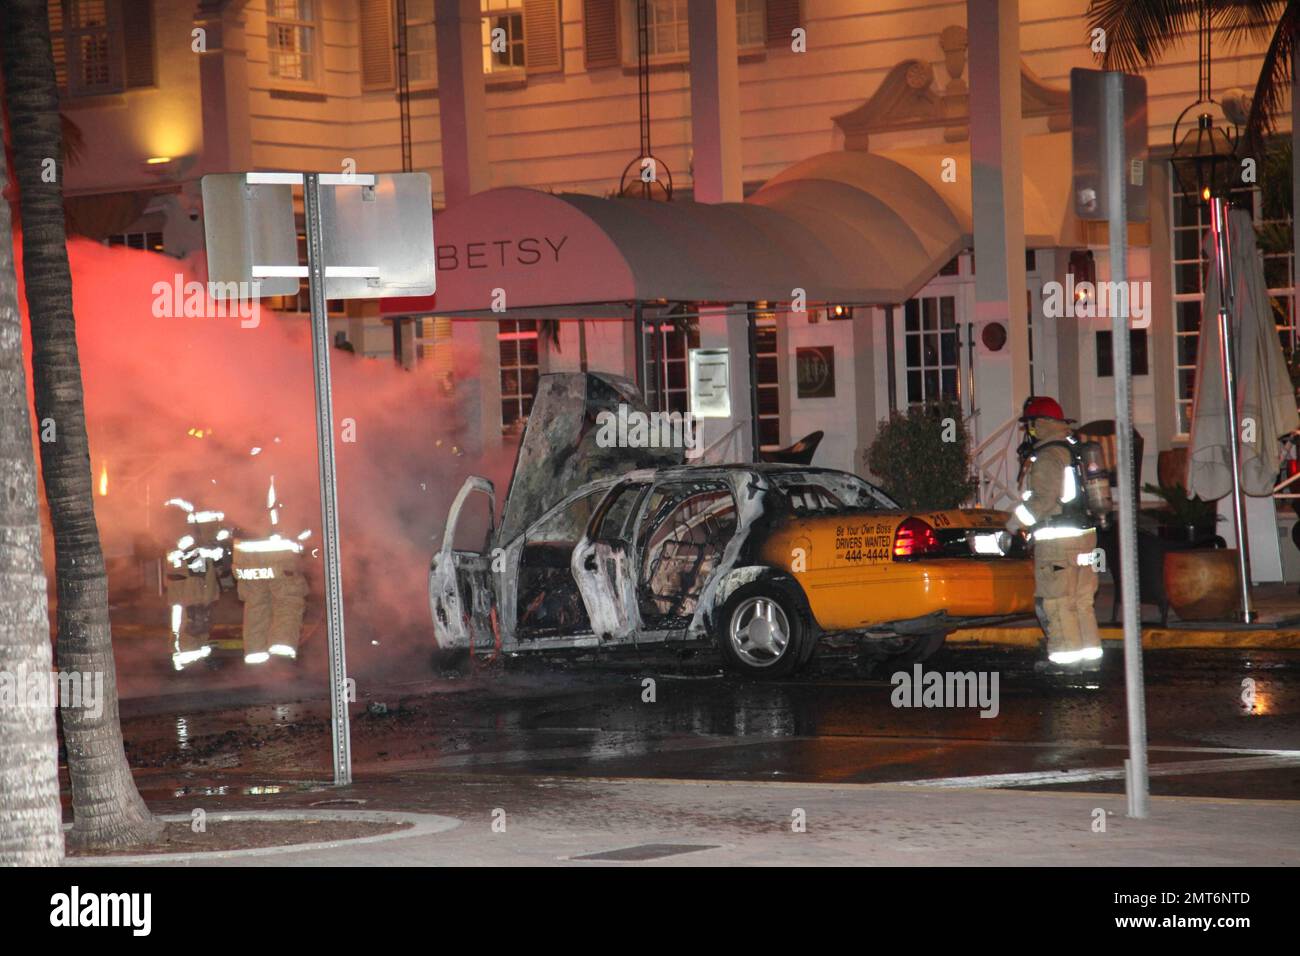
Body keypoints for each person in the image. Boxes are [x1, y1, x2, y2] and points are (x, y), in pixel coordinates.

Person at [1004, 396, 1103, 674]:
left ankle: (1064, 662)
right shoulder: (1075, 451)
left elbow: (1042, 502)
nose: (1031, 431)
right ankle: (1090, 657)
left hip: (1058, 543)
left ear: (1045, 423)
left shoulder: (1048, 457)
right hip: (1086, 538)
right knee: (1081, 601)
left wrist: (1013, 525)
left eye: (1033, 424)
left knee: (1058, 601)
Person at [233, 445, 310, 665]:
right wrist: (304, 536)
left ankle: (256, 658)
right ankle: (281, 655)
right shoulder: (283, 469)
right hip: (276, 549)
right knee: (288, 600)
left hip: (245, 551)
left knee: (256, 603)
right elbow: (295, 508)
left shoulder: (238, 468)